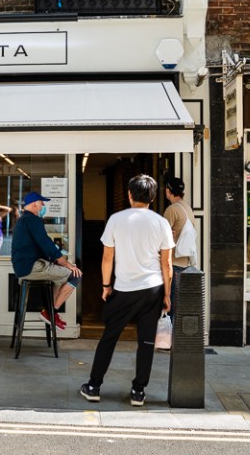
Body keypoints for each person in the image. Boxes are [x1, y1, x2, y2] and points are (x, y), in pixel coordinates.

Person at [80, 174, 173, 406]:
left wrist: (105, 285)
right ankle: (138, 392)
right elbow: (167, 264)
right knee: (146, 343)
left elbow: (107, 257)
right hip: (153, 288)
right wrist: (167, 294)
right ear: (152, 197)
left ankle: (93, 386)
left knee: (109, 338)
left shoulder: (116, 219)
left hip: (124, 289)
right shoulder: (161, 223)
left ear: (130, 194)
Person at [11, 191, 82, 331]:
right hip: (31, 267)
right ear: (33, 204)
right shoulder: (33, 220)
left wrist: (56, 260)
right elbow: (45, 243)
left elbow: (38, 245)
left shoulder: (23, 220)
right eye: (41, 202)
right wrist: (66, 263)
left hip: (23, 267)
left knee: (59, 277)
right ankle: (51, 313)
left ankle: (49, 312)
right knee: (74, 275)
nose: (43, 205)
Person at [163, 177, 196, 323]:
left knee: (169, 305)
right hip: (185, 264)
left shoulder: (172, 210)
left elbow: (161, 236)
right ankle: (176, 340)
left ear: (169, 191)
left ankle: (167, 340)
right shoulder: (187, 208)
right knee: (178, 306)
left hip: (173, 263)